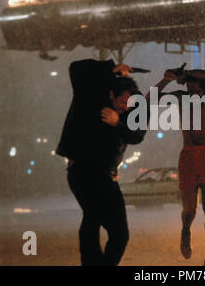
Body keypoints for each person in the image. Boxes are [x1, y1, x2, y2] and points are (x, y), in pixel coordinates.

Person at [56, 58, 146, 266]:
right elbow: (76, 68)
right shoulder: (89, 99)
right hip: (82, 170)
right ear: (111, 94)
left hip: (105, 174)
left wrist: (118, 123)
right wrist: (111, 67)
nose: (125, 108)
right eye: (123, 102)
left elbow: (137, 136)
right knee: (94, 219)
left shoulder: (127, 115)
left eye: (130, 105)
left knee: (116, 232)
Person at [148, 67, 205, 266]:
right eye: (189, 91)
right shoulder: (181, 98)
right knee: (190, 209)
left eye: (197, 91)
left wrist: (184, 74)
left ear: (204, 91)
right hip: (189, 156)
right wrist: (166, 80)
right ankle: (185, 231)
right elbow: (147, 101)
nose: (193, 96)